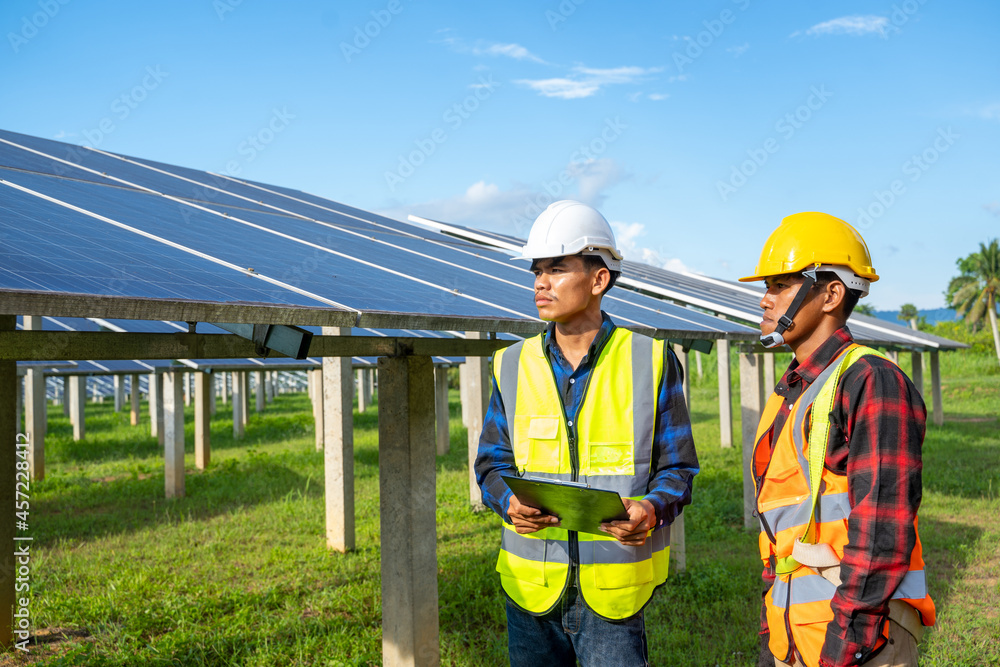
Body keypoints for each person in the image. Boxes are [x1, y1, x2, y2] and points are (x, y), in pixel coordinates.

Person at [474, 200, 699, 666]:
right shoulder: (512, 364)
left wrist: (651, 510)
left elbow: (678, 468)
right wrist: (508, 501)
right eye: (537, 271)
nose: (540, 282)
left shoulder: (651, 360)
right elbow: (492, 462)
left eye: (557, 268)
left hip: (613, 594)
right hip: (530, 591)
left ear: (599, 280)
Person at [739, 212, 936, 667]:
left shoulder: (870, 379)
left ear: (830, 294)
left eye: (780, 285)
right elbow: (783, 529)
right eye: (766, 287)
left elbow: (882, 530)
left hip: (858, 642)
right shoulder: (793, 389)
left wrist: (846, 645)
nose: (765, 300)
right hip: (796, 636)